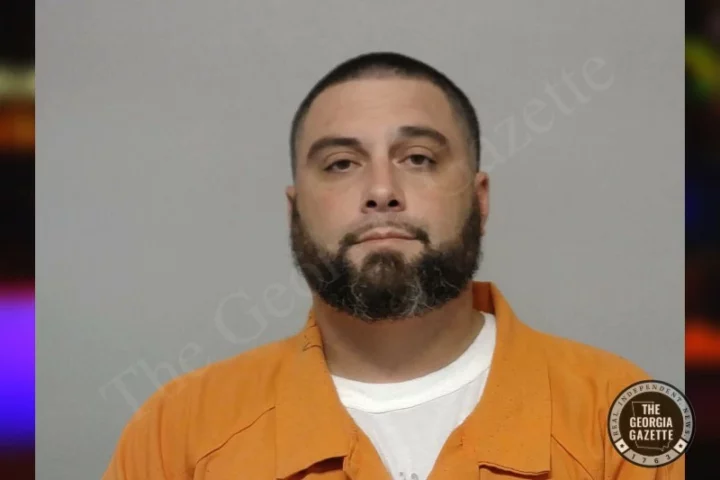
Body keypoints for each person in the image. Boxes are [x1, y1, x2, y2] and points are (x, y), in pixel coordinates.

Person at [103, 52, 683, 479]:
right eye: (340, 163)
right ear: (295, 211)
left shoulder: (622, 411)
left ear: (479, 200)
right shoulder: (178, 430)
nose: (381, 190)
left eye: (419, 158)